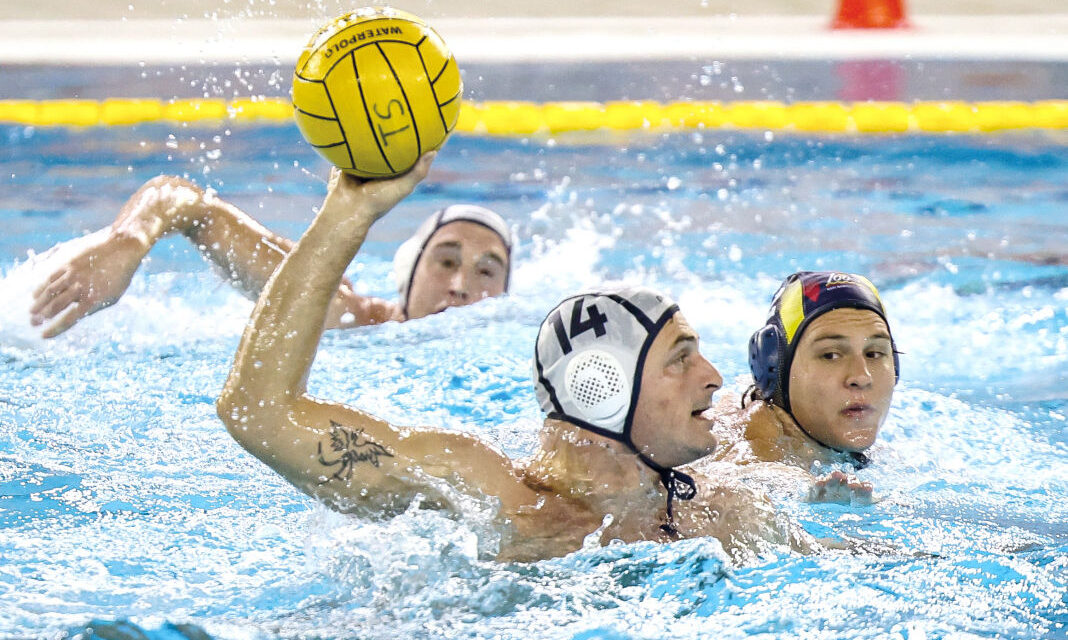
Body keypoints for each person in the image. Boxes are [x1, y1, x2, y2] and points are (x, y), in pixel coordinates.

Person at [216, 153, 813, 563]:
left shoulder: (721, 511)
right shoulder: (482, 493)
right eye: (681, 358)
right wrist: (345, 217)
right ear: (601, 385)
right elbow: (257, 411)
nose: (712, 378)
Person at [27, 174, 511, 338]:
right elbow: (193, 207)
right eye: (446, 261)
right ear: (407, 275)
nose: (461, 286)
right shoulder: (341, 310)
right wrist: (126, 242)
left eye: (486, 271)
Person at [702, 271, 900, 505]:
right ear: (774, 368)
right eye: (831, 355)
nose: (862, 376)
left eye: (875, 353)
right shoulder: (746, 454)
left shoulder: (830, 442)